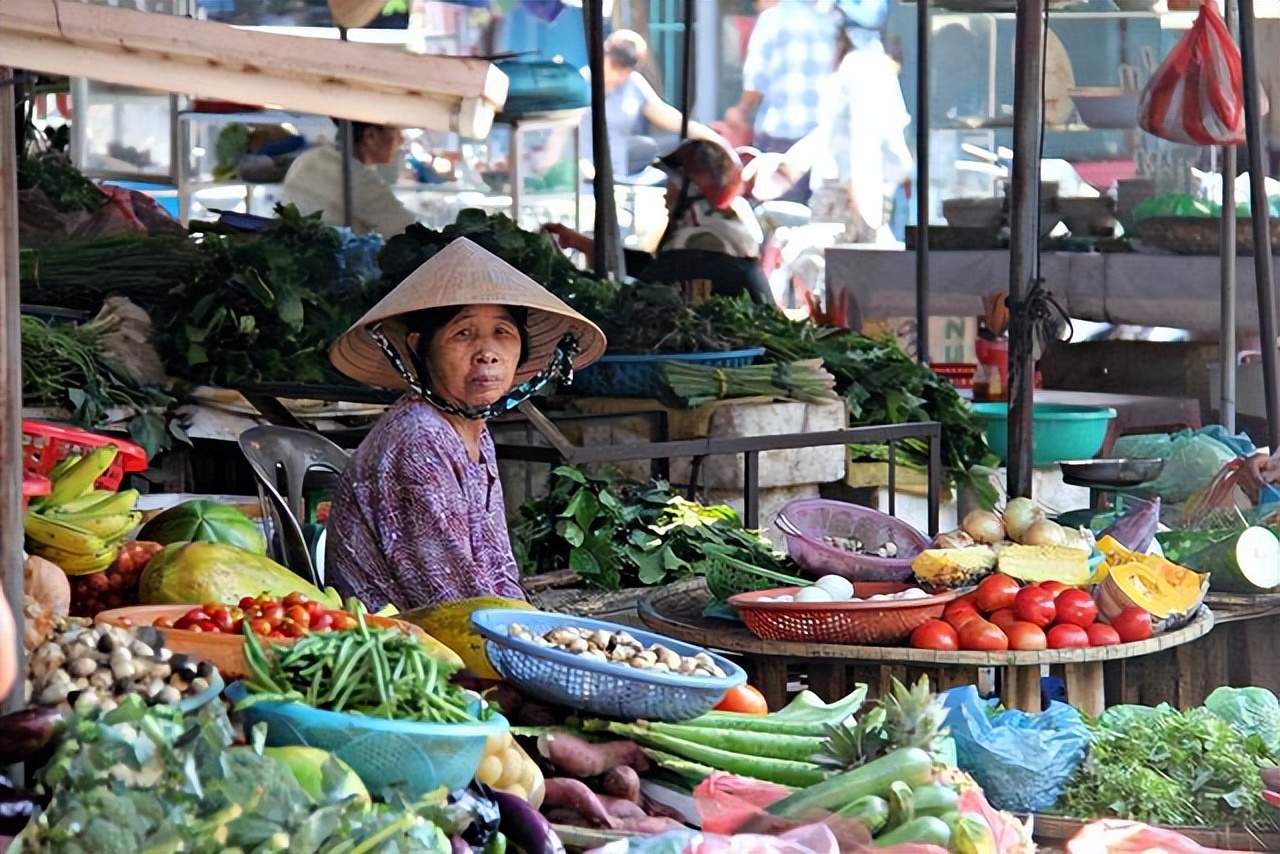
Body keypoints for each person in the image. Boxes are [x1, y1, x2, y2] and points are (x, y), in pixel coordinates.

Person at [325, 237, 606, 611]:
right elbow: (457, 601)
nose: (487, 353)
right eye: (463, 333)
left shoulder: (472, 429)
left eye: (502, 333)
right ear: (418, 346)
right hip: (408, 649)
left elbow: (496, 571)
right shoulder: (418, 441)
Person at [755, 0, 911, 244]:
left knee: (844, 273)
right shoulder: (869, 68)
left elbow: (863, 146)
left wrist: (866, 216)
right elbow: (833, 130)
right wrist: (791, 166)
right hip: (850, 196)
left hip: (849, 201)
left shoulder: (860, 68)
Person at [545, 140, 774, 305]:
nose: (666, 194)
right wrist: (584, 245)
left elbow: (646, 289)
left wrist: (571, 276)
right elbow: (659, 266)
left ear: (692, 189)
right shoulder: (721, 227)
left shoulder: (703, 239)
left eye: (671, 184)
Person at [579, 30, 730, 180]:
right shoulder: (579, 84)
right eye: (614, 66)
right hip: (578, 186)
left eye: (626, 70)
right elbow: (560, 137)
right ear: (602, 55)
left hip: (615, 181)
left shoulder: (633, 84)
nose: (619, 75)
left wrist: (718, 142)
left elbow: (673, 120)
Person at [725, 0, 835, 200]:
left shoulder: (773, 18)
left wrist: (742, 109)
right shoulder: (839, 19)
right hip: (829, 138)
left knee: (782, 217)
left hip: (782, 137)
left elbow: (757, 80)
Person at [280, 120, 416, 238]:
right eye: (396, 132)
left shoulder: (307, 159)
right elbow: (405, 229)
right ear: (371, 136)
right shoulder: (354, 175)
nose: (402, 139)